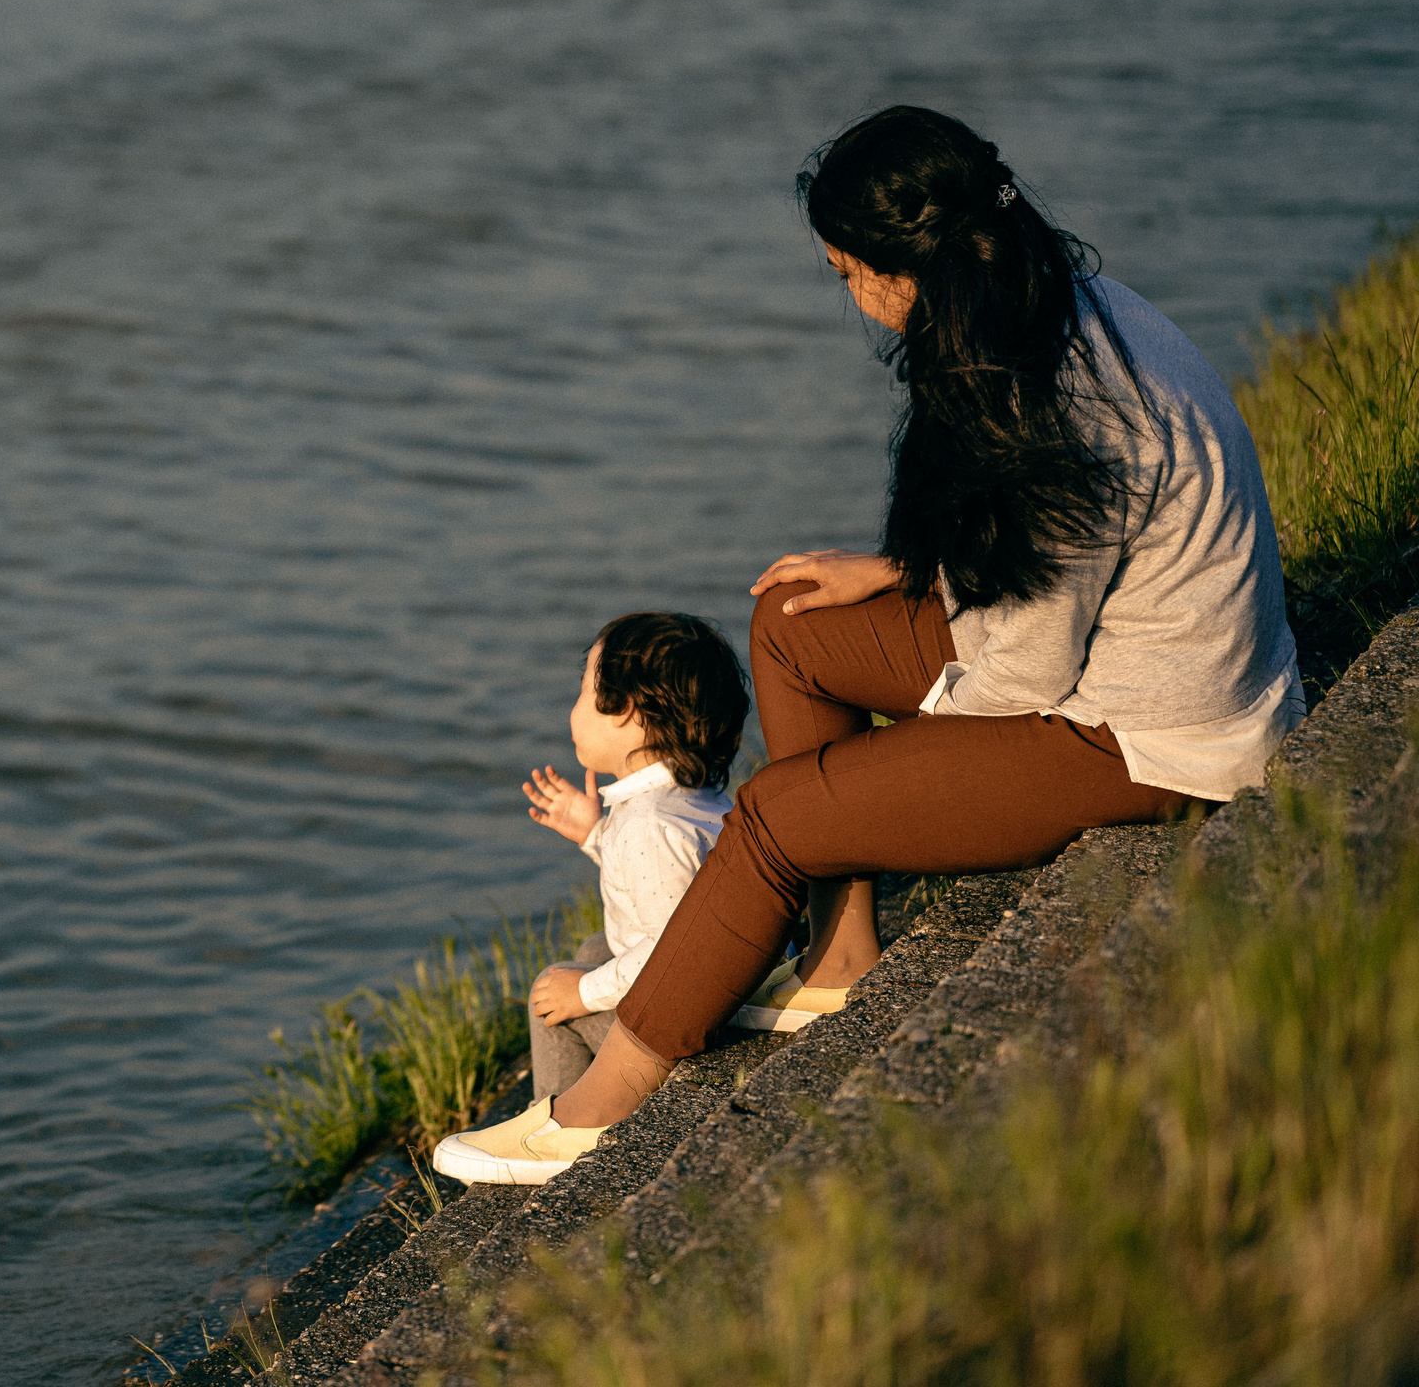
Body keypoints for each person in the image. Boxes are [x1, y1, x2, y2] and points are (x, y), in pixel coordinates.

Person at [453, 105, 1306, 1180]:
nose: (852, 296)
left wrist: (878, 769)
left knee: (776, 813)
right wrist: (907, 573)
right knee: (793, 621)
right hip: (1125, 657)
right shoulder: (1054, 303)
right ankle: (838, 959)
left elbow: (1027, 671)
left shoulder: (1055, 399)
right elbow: (1060, 568)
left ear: (910, 270)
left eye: (849, 272)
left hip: (1160, 733)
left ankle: (594, 1109)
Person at [433, 612, 748, 1184]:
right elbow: (669, 893)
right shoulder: (691, 800)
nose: (575, 708)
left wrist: (582, 993)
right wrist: (596, 834)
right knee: (594, 947)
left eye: (584, 691)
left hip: (692, 1036)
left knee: (551, 991)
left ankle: (559, 1131)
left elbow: (672, 953)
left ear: (625, 710)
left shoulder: (651, 825)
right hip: (727, 996)